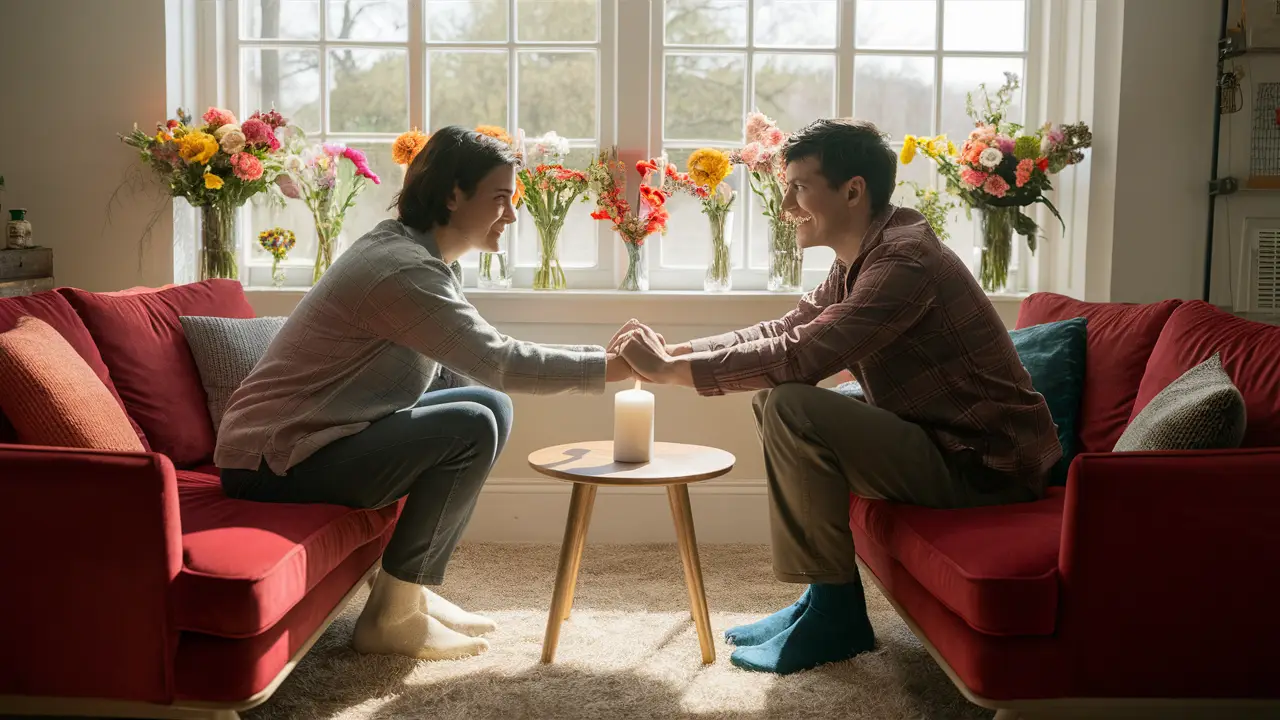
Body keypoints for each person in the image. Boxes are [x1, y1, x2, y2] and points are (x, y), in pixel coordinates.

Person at [609, 118, 1061, 675]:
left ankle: (836, 615)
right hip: (943, 443)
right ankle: (819, 600)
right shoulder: (864, 256)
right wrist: (673, 354)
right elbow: (785, 328)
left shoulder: (903, 262)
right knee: (779, 400)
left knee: (791, 403)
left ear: (853, 190)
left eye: (799, 186)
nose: (786, 204)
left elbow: (802, 355)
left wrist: (672, 373)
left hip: (983, 468)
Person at [215, 126, 633, 662]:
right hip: (273, 463)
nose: (511, 215)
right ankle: (392, 618)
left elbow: (487, 358)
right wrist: (611, 367)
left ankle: (406, 590)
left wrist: (603, 355)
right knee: (472, 424)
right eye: (500, 199)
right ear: (453, 195)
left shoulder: (421, 257)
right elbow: (500, 359)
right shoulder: (402, 270)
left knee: (487, 404)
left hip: (319, 438)